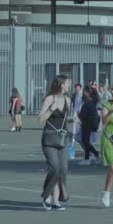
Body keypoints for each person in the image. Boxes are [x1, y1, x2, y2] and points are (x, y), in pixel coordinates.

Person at [38, 75, 72, 210]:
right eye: (67, 83)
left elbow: (67, 118)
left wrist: (74, 119)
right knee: (54, 168)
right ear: (61, 84)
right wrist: (51, 109)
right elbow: (40, 119)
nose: (69, 85)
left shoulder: (68, 100)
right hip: (49, 138)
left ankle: (56, 200)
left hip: (63, 138)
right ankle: (46, 196)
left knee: (63, 170)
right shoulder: (49, 98)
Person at [77, 84, 101, 166]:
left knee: (85, 141)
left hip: (87, 124)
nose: (83, 93)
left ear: (87, 93)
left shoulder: (88, 102)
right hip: (89, 124)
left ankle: (95, 155)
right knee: (86, 141)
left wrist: (78, 115)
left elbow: (83, 114)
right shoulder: (91, 102)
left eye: (84, 91)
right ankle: (87, 158)